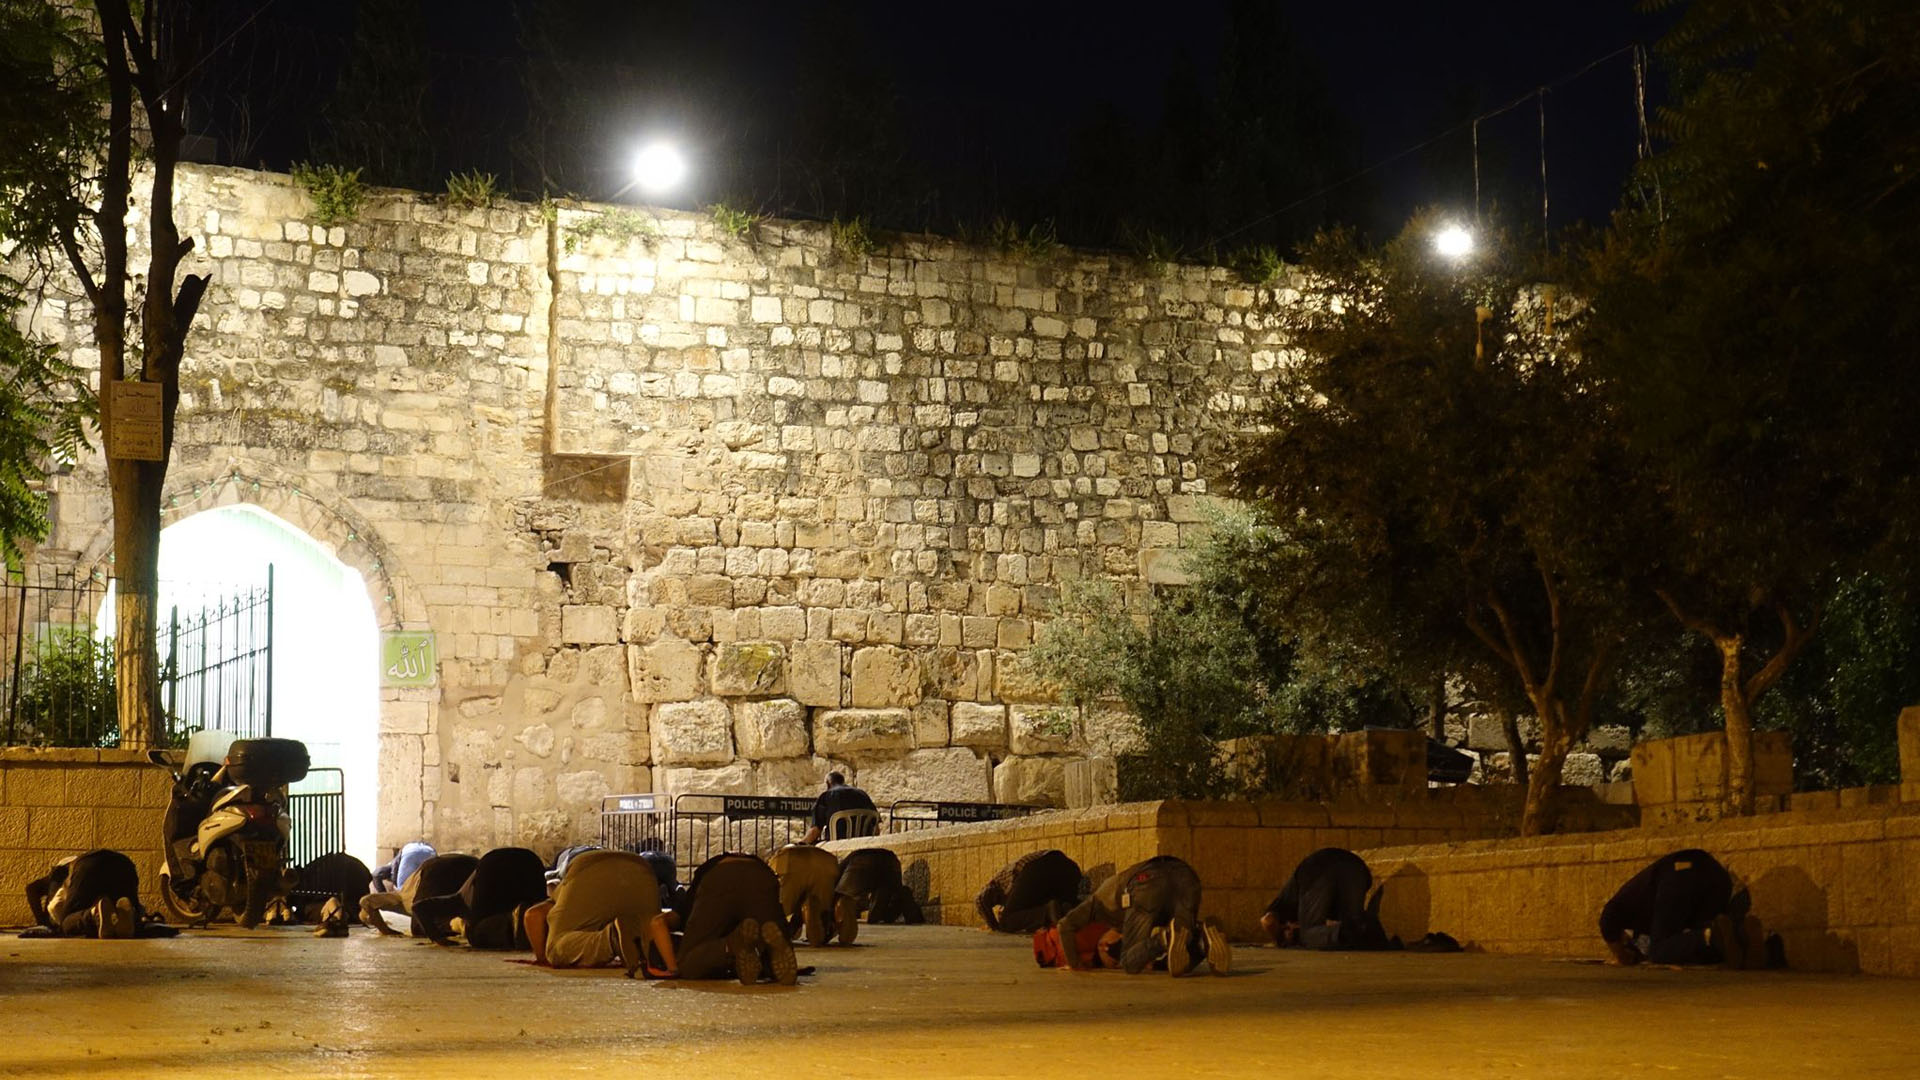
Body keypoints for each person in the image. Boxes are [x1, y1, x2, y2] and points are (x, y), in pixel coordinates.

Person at [1052, 855, 1230, 975]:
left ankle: (1164, 938)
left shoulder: (1097, 903)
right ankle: (1202, 938)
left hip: (1147, 883)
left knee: (1130, 963)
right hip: (1186, 875)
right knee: (1182, 951)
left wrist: (1074, 964)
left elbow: (1064, 925)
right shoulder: (1121, 919)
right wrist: (1154, 963)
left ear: (1101, 942)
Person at [650, 853, 799, 985]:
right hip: (761, 875)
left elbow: (657, 922)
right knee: (774, 945)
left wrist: (673, 969)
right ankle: (769, 955)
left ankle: (733, 943)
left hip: (719, 878)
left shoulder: (688, 906)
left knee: (688, 965)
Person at [523, 849, 670, 975]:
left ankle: (611, 938)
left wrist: (543, 958)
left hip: (587, 870)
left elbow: (533, 915)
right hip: (642, 871)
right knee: (652, 940)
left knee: (556, 949)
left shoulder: (562, 892)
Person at [1600, 848, 1750, 966]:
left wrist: (1620, 954)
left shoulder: (1624, 906)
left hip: (1678, 875)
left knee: (1659, 952)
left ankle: (1711, 935)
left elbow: (1607, 918)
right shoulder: (1642, 931)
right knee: (1702, 948)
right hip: (1716, 874)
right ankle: (1746, 939)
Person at [413, 847, 548, 948]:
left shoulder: (460, 901)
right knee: (539, 912)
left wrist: (437, 938)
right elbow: (420, 908)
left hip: (493, 865)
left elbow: (419, 907)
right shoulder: (467, 890)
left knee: (477, 935)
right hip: (530, 860)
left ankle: (516, 928)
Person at [1261, 847, 1390, 950]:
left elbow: (1268, 921)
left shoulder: (1282, 905)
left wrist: (1280, 940)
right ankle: (1367, 929)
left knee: (1308, 935)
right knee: (1353, 930)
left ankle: (1356, 929)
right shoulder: (1304, 913)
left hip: (1318, 870)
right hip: (1356, 866)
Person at [24, 850, 154, 939]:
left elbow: (31, 889)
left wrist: (43, 923)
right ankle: (132, 918)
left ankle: (93, 913)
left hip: (88, 866)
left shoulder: (59, 873)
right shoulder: (81, 885)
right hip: (124, 865)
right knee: (127, 907)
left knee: (66, 923)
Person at [362, 851, 476, 936]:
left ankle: (463, 927)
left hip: (437, 869)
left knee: (420, 927)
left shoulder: (401, 897)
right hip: (473, 864)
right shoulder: (404, 892)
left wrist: (386, 931)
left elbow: (366, 902)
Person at [977, 849, 1083, 934]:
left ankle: (1048, 912)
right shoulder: (1021, 893)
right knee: (1064, 908)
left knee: (1007, 920)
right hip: (1069, 867)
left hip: (1037, 868)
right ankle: (1066, 909)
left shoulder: (996, 883)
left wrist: (996, 927)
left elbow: (980, 899)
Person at [833, 847, 923, 943]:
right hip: (891, 860)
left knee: (841, 900)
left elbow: (839, 898)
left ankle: (902, 895)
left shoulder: (836, 874)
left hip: (862, 861)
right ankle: (904, 896)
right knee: (876, 916)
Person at [770, 843, 842, 945]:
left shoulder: (779, 854)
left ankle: (786, 930)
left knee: (779, 911)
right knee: (823, 908)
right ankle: (837, 913)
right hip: (825, 860)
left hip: (790, 859)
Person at [801, 772, 878, 844]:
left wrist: (799, 844)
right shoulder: (863, 795)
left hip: (836, 848)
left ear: (828, 784)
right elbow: (876, 829)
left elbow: (815, 832)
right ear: (843, 781)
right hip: (862, 848)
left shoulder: (826, 796)